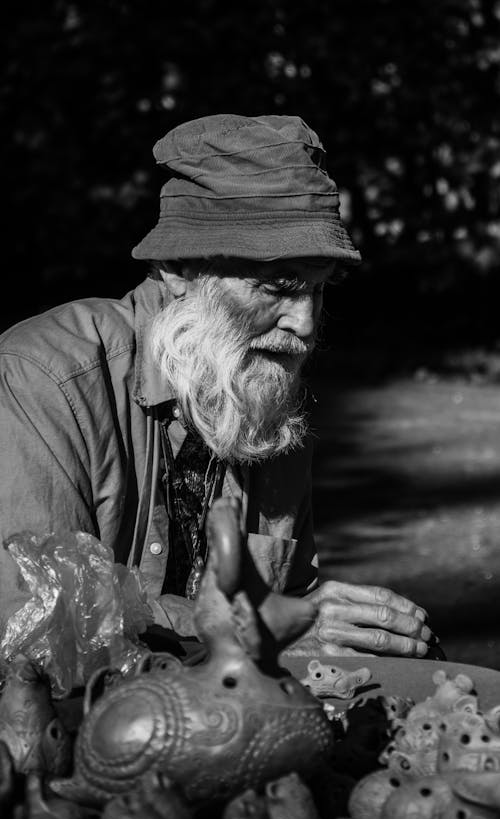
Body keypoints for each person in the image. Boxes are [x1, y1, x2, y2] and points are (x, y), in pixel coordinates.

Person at [0, 113, 433, 657]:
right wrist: (249, 624)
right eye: (278, 283)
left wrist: (335, 627)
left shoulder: (264, 396)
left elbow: (289, 607)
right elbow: (39, 620)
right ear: (180, 269)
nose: (304, 322)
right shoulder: (45, 379)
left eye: (319, 288)